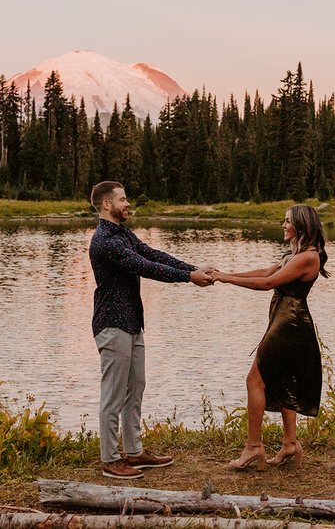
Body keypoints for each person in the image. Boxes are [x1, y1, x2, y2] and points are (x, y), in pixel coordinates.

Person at [88, 180, 215, 480]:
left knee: (136, 388)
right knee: (113, 395)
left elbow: (153, 254)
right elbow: (143, 266)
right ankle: (110, 459)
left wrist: (192, 268)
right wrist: (188, 278)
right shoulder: (106, 240)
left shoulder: (122, 233)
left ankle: (134, 451)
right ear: (107, 205)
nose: (127, 203)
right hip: (112, 323)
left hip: (132, 322)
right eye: (122, 199)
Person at [209, 204, 329, 470]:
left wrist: (225, 279)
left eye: (287, 221)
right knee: (283, 379)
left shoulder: (308, 257)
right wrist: (222, 275)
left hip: (291, 323)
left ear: (302, 225)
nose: (283, 225)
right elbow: (265, 272)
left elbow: (267, 284)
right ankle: (290, 444)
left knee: (255, 380)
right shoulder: (295, 254)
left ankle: (253, 448)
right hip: (284, 320)